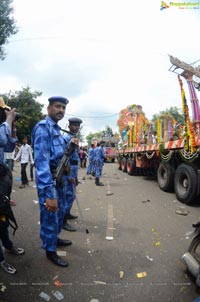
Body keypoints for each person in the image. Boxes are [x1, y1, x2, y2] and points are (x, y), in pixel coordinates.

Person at [31, 96, 73, 267]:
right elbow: (41, 163)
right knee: (50, 216)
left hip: (60, 179)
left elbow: (60, 155)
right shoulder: (43, 128)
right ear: (49, 108)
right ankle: (50, 251)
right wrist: (49, 194)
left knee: (60, 213)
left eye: (63, 107)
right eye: (57, 106)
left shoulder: (57, 130)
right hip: (49, 181)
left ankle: (55, 239)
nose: (61, 110)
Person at [0, 97, 25, 274]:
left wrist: (13, 125)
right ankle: (1, 260)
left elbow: (8, 144)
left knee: (3, 218)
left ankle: (8, 246)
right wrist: (8, 119)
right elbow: (1, 139)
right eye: (4, 111)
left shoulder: (4, 128)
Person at [62, 117, 82, 232]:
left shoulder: (74, 138)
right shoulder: (66, 138)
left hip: (74, 168)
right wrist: (69, 176)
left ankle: (67, 213)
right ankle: (63, 220)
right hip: (68, 168)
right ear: (69, 126)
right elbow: (66, 157)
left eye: (78, 126)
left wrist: (75, 176)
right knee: (69, 195)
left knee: (72, 194)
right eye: (74, 125)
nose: (76, 127)